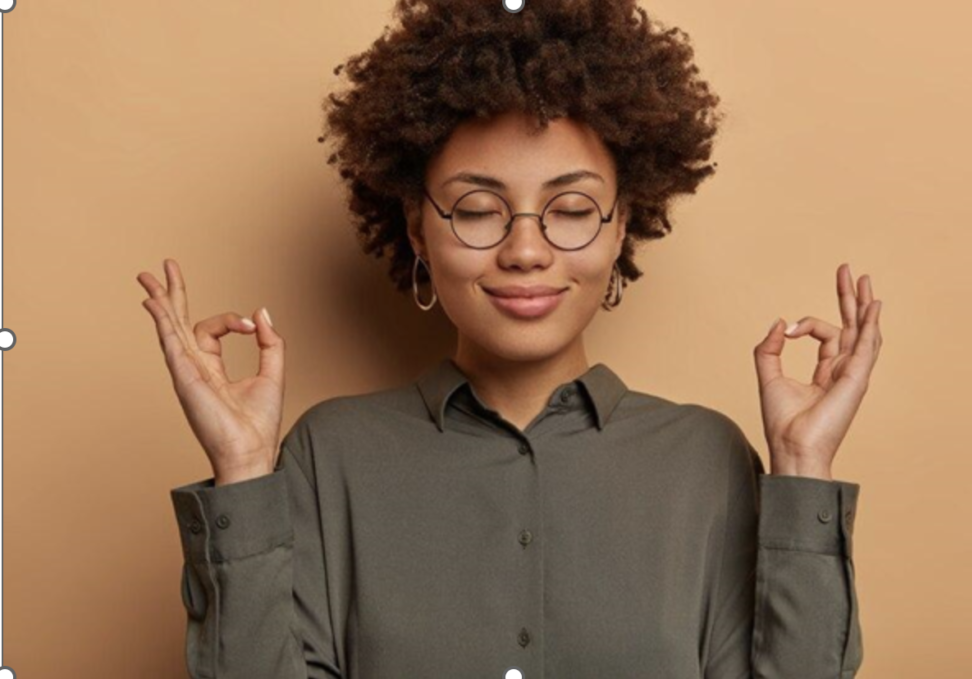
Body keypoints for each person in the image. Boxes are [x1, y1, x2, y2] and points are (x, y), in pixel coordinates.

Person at [138, 1, 882, 677]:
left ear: (623, 224)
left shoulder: (708, 461)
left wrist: (802, 466)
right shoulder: (326, 455)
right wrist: (240, 469)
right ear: (416, 229)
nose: (526, 250)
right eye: (477, 208)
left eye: (571, 207)